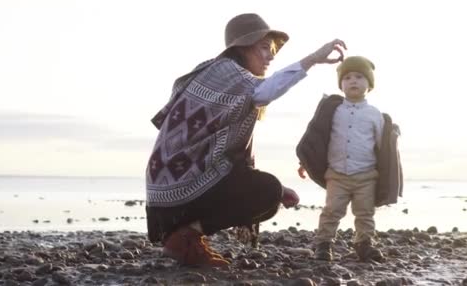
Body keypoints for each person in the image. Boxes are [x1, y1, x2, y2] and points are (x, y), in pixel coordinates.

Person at [145, 13, 346, 267]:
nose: (271, 56)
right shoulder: (225, 72)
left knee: (271, 196)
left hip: (169, 193)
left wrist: (277, 191)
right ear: (242, 48)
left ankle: (187, 237)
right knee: (266, 190)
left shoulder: (217, 73)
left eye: (272, 49)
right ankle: (183, 239)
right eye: (264, 48)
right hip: (177, 192)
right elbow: (266, 91)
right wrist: (314, 59)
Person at [296, 56, 403, 262]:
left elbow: (383, 149)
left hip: (366, 175)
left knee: (365, 213)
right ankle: (324, 245)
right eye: (347, 78)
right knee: (331, 211)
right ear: (341, 84)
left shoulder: (375, 115)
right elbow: (319, 138)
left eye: (359, 77)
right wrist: (305, 162)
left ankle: (364, 244)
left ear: (369, 84)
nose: (353, 81)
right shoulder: (333, 110)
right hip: (337, 174)